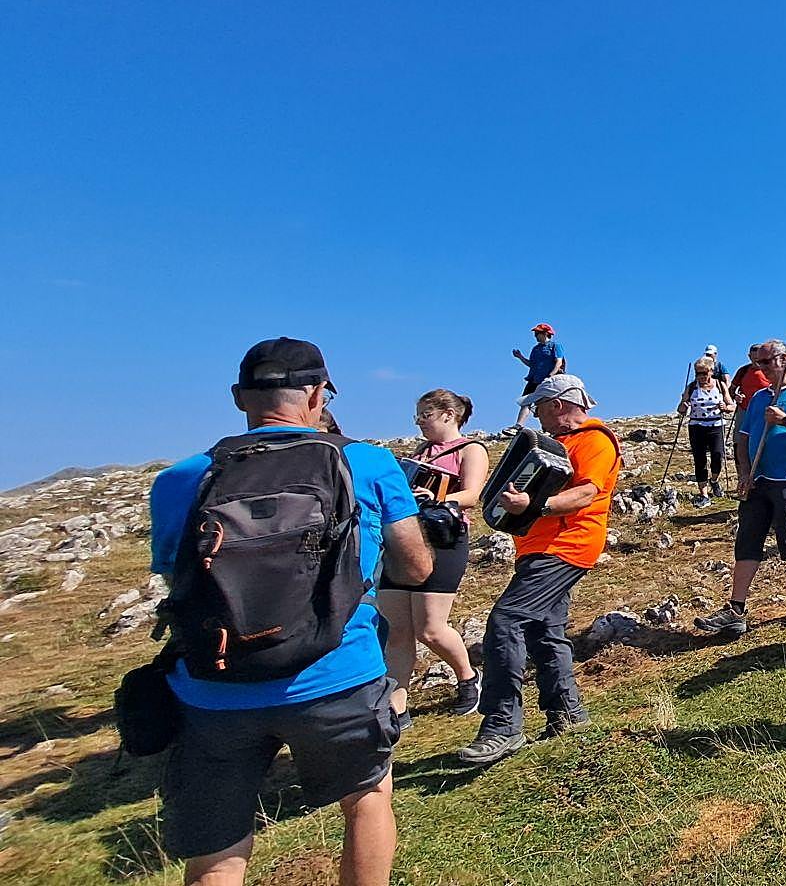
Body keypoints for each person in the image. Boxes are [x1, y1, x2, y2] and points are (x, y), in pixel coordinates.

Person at [147, 338, 432, 886]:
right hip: (337, 674)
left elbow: (175, 577)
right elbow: (416, 568)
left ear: (239, 397)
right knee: (367, 802)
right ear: (319, 394)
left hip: (215, 686)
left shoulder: (180, 480)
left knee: (216, 852)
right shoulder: (366, 462)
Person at [458, 374, 622, 765]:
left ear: (559, 404)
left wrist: (535, 506)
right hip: (541, 546)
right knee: (543, 629)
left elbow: (588, 492)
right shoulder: (559, 442)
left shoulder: (594, 440)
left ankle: (501, 726)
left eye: (538, 407)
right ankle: (567, 713)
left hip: (566, 546)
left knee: (506, 620)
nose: (535, 415)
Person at [694, 340, 786, 636]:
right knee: (748, 539)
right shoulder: (758, 398)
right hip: (758, 478)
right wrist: (744, 472)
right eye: (758, 362)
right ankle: (736, 609)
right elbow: (743, 438)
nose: (761, 368)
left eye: (767, 362)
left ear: (784, 359)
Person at [378, 389, 487, 728]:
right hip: (405, 540)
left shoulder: (472, 449)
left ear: (448, 415)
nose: (419, 422)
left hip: (444, 541)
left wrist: (438, 498)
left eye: (425, 414)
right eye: (418, 415)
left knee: (430, 629)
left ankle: (468, 677)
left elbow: (473, 494)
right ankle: (397, 708)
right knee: (396, 630)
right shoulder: (419, 452)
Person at [677, 357, 734, 508]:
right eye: (698, 373)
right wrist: (684, 406)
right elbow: (680, 409)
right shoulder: (691, 387)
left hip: (716, 425)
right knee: (700, 460)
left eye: (704, 373)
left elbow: (731, 406)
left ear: (711, 371)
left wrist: (725, 407)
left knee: (718, 456)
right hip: (697, 426)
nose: (701, 376)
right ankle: (704, 495)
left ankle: (714, 480)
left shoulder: (720, 385)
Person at [511, 323, 566, 426]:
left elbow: (559, 362)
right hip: (534, 380)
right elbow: (531, 364)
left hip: (549, 380)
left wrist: (551, 376)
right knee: (525, 402)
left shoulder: (555, 346)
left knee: (547, 404)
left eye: (537, 333)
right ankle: (518, 425)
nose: (535, 336)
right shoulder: (535, 349)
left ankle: (549, 427)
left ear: (545, 333)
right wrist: (520, 357)